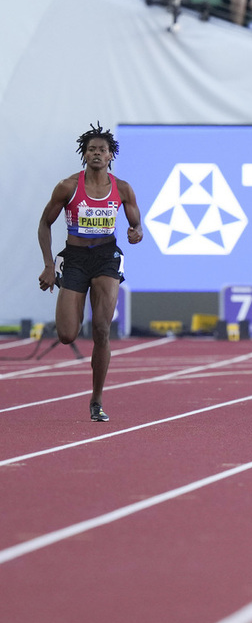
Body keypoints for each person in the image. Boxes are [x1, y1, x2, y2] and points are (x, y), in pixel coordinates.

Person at [36, 124, 143, 422]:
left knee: (101, 328)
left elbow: (136, 224)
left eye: (102, 150)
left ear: (111, 155)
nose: (97, 154)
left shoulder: (122, 188)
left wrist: (137, 232)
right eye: (91, 149)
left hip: (107, 258)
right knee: (68, 334)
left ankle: (96, 399)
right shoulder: (68, 186)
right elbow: (44, 223)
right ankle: (94, 392)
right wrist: (48, 265)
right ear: (84, 155)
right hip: (75, 258)